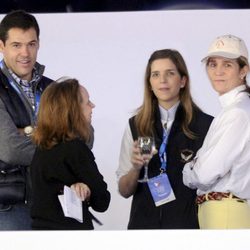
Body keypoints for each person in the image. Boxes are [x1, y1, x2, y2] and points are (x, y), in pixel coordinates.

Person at [116, 49, 213, 229]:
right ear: (150, 83)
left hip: (188, 231)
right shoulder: (136, 125)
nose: (162, 80)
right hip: (143, 230)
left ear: (182, 81)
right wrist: (136, 168)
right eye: (156, 74)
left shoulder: (205, 126)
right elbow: (124, 190)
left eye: (170, 73)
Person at [183, 34, 250, 229]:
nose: (218, 71)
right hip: (221, 210)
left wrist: (189, 169)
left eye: (227, 65)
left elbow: (204, 174)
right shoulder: (234, 110)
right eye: (213, 64)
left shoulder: (237, 113)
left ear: (243, 70)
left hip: (225, 212)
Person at [30, 77, 110, 230]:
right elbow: (102, 201)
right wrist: (87, 190)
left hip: (40, 235)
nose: (92, 106)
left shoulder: (41, 149)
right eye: (87, 102)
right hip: (71, 237)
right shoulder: (76, 149)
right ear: (73, 110)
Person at [0, 10, 53, 230]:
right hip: (9, 207)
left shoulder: (53, 88)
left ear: (38, 44)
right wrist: (52, 139)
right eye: (16, 45)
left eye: (31, 44)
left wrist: (27, 131)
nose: (25, 53)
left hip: (51, 203)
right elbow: (11, 149)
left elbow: (82, 139)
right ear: (2, 46)